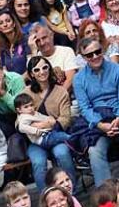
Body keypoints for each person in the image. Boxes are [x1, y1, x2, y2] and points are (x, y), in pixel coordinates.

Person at [72, 36, 119, 184]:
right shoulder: (79, 78)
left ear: (102, 50)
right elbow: (84, 107)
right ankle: (107, 196)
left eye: (97, 51)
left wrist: (118, 119)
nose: (95, 56)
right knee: (94, 152)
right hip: (97, 121)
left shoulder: (118, 69)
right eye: (89, 55)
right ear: (83, 57)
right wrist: (101, 125)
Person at [21, 56, 79, 191]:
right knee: (38, 162)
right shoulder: (26, 93)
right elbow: (20, 119)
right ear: (31, 74)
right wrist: (34, 127)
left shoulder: (61, 91)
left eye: (45, 67)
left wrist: (49, 125)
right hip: (35, 139)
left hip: (56, 134)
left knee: (62, 153)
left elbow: (65, 118)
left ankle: (72, 193)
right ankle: (46, 197)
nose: (42, 72)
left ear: (50, 68)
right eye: (37, 69)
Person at [30, 24, 80, 92]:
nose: (42, 43)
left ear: (51, 35)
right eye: (38, 41)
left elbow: (70, 79)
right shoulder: (34, 57)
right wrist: (33, 50)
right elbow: (35, 84)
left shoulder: (66, 51)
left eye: (44, 38)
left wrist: (57, 98)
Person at [0, 11, 29, 75]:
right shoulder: (3, 48)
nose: (5, 24)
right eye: (1, 23)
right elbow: (5, 71)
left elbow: (32, 64)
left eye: (8, 21)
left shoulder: (25, 39)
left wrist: (20, 80)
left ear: (14, 23)